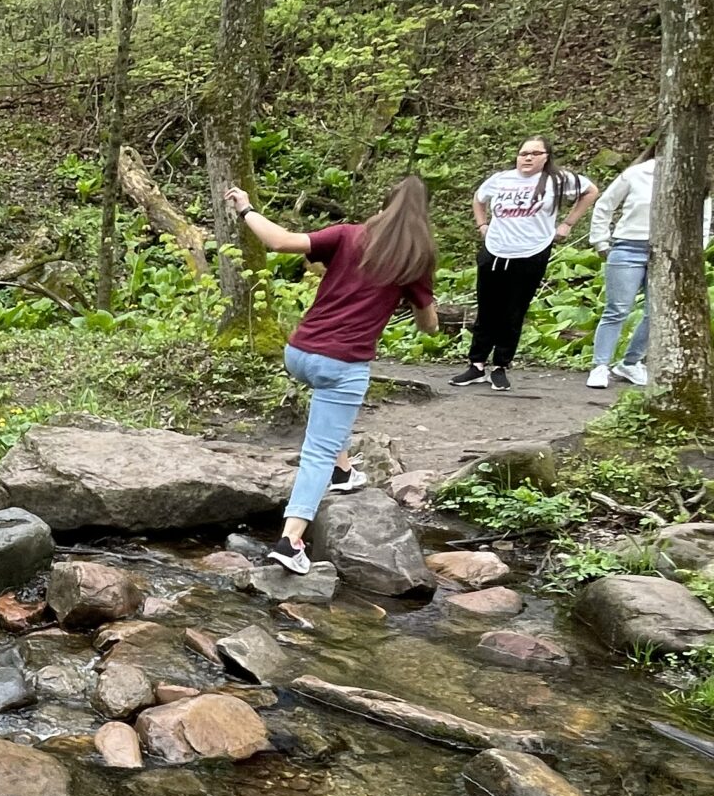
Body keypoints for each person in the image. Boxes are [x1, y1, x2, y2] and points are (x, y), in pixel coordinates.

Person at [227, 177, 441, 575]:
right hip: (342, 365)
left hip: (298, 354)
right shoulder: (417, 258)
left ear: (384, 205)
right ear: (423, 215)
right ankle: (291, 541)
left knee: (331, 414)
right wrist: (423, 310)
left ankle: (343, 472)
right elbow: (428, 325)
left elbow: (279, 242)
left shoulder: (348, 235)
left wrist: (246, 208)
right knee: (317, 452)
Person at [451, 137, 598, 392]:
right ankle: (476, 364)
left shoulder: (557, 180)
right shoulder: (501, 179)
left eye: (535, 153)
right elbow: (479, 198)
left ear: (546, 157)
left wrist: (567, 224)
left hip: (531, 251)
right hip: (495, 250)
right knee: (487, 309)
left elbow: (591, 191)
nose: (528, 158)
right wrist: (482, 225)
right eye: (523, 153)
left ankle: (500, 366)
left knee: (514, 311)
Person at [586, 152, 714, 389]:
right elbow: (605, 204)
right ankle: (600, 366)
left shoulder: (696, 178)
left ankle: (631, 362)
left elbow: (703, 219)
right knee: (617, 309)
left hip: (669, 250)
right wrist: (600, 241)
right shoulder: (636, 173)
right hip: (628, 246)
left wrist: (697, 248)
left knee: (655, 312)